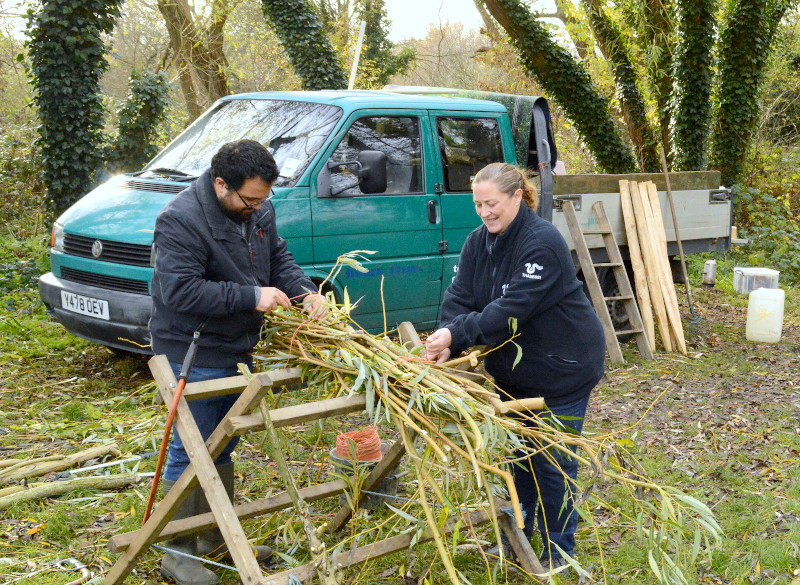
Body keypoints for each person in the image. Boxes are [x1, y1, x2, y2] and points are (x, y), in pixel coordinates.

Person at [149, 139, 326, 585]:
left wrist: (305, 292)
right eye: (249, 199)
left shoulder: (257, 208)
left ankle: (211, 538)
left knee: (222, 443)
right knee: (192, 448)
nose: (257, 207)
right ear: (220, 183)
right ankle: (178, 549)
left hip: (236, 345)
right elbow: (181, 291)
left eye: (262, 199)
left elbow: (278, 258)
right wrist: (253, 296)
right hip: (193, 347)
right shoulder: (181, 219)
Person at [425, 162, 605, 571]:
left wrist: (458, 335)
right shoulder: (477, 242)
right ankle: (520, 537)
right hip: (513, 370)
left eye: (492, 204)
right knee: (517, 456)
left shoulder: (542, 242)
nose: (485, 212)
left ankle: (560, 554)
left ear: (517, 197)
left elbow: (511, 310)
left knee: (552, 461)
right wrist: (447, 337)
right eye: (478, 205)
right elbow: (459, 298)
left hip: (563, 367)